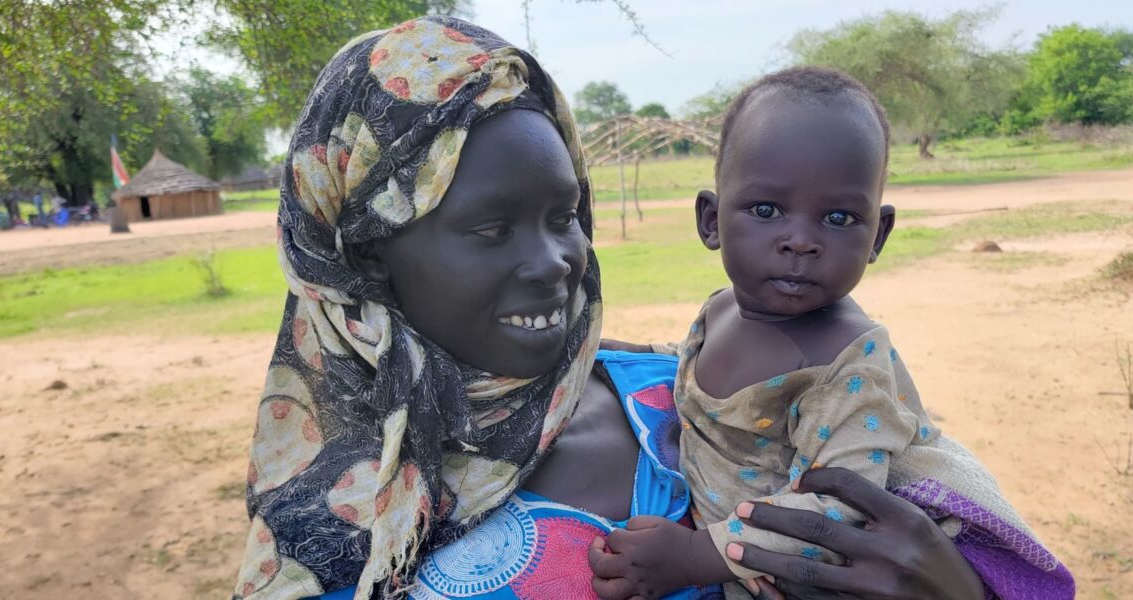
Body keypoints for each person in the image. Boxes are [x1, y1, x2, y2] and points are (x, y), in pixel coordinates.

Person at [235, 16, 1070, 600]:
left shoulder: (677, 387)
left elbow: (901, 500)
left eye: (565, 216)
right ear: (362, 251)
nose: (557, 261)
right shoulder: (325, 526)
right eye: (490, 228)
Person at [588, 68, 1075, 600]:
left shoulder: (847, 364)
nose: (800, 240)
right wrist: (639, 352)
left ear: (878, 235)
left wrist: (691, 557)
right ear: (711, 219)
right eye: (767, 210)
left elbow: (839, 507)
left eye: (839, 218)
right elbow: (690, 358)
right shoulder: (722, 308)